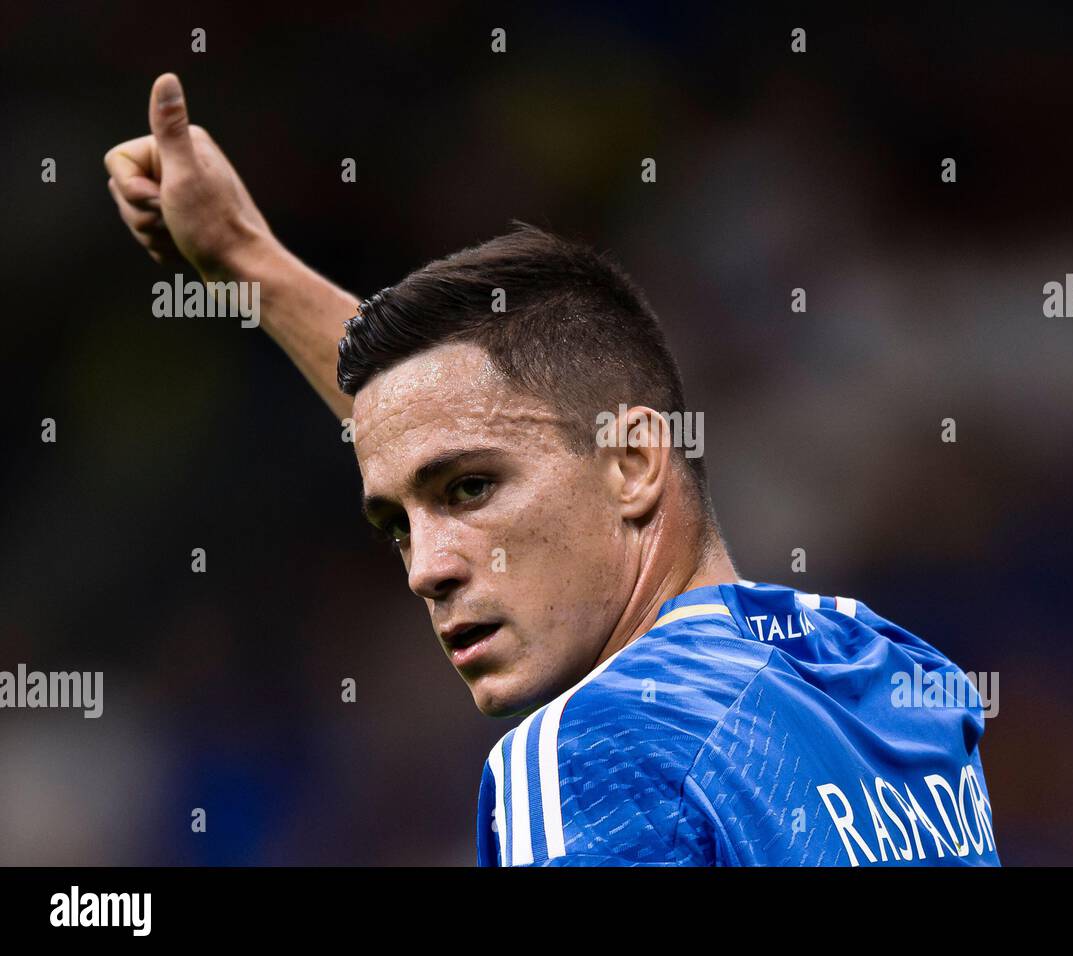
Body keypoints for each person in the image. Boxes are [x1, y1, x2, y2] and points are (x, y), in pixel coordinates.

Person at [105, 73, 1000, 866]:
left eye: (470, 492)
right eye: (397, 526)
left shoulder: (598, 744)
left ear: (636, 463)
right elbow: (470, 422)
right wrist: (243, 257)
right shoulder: (886, 675)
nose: (427, 569)